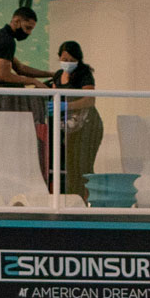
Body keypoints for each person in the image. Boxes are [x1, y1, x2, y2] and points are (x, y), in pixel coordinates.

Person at [52, 40, 102, 199]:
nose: (68, 63)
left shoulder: (84, 74)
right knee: (70, 166)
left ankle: (90, 201)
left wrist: (67, 106)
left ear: (78, 59)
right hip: (70, 127)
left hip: (88, 125)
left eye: (72, 60)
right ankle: (74, 200)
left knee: (83, 165)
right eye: (65, 60)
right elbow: (55, 97)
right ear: (59, 57)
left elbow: (89, 100)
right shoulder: (58, 76)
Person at [0, 6, 52, 112]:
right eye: (27, 28)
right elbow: (4, 76)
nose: (29, 33)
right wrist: (33, 81)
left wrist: (51, 74)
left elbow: (20, 68)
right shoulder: (7, 41)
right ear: (16, 21)